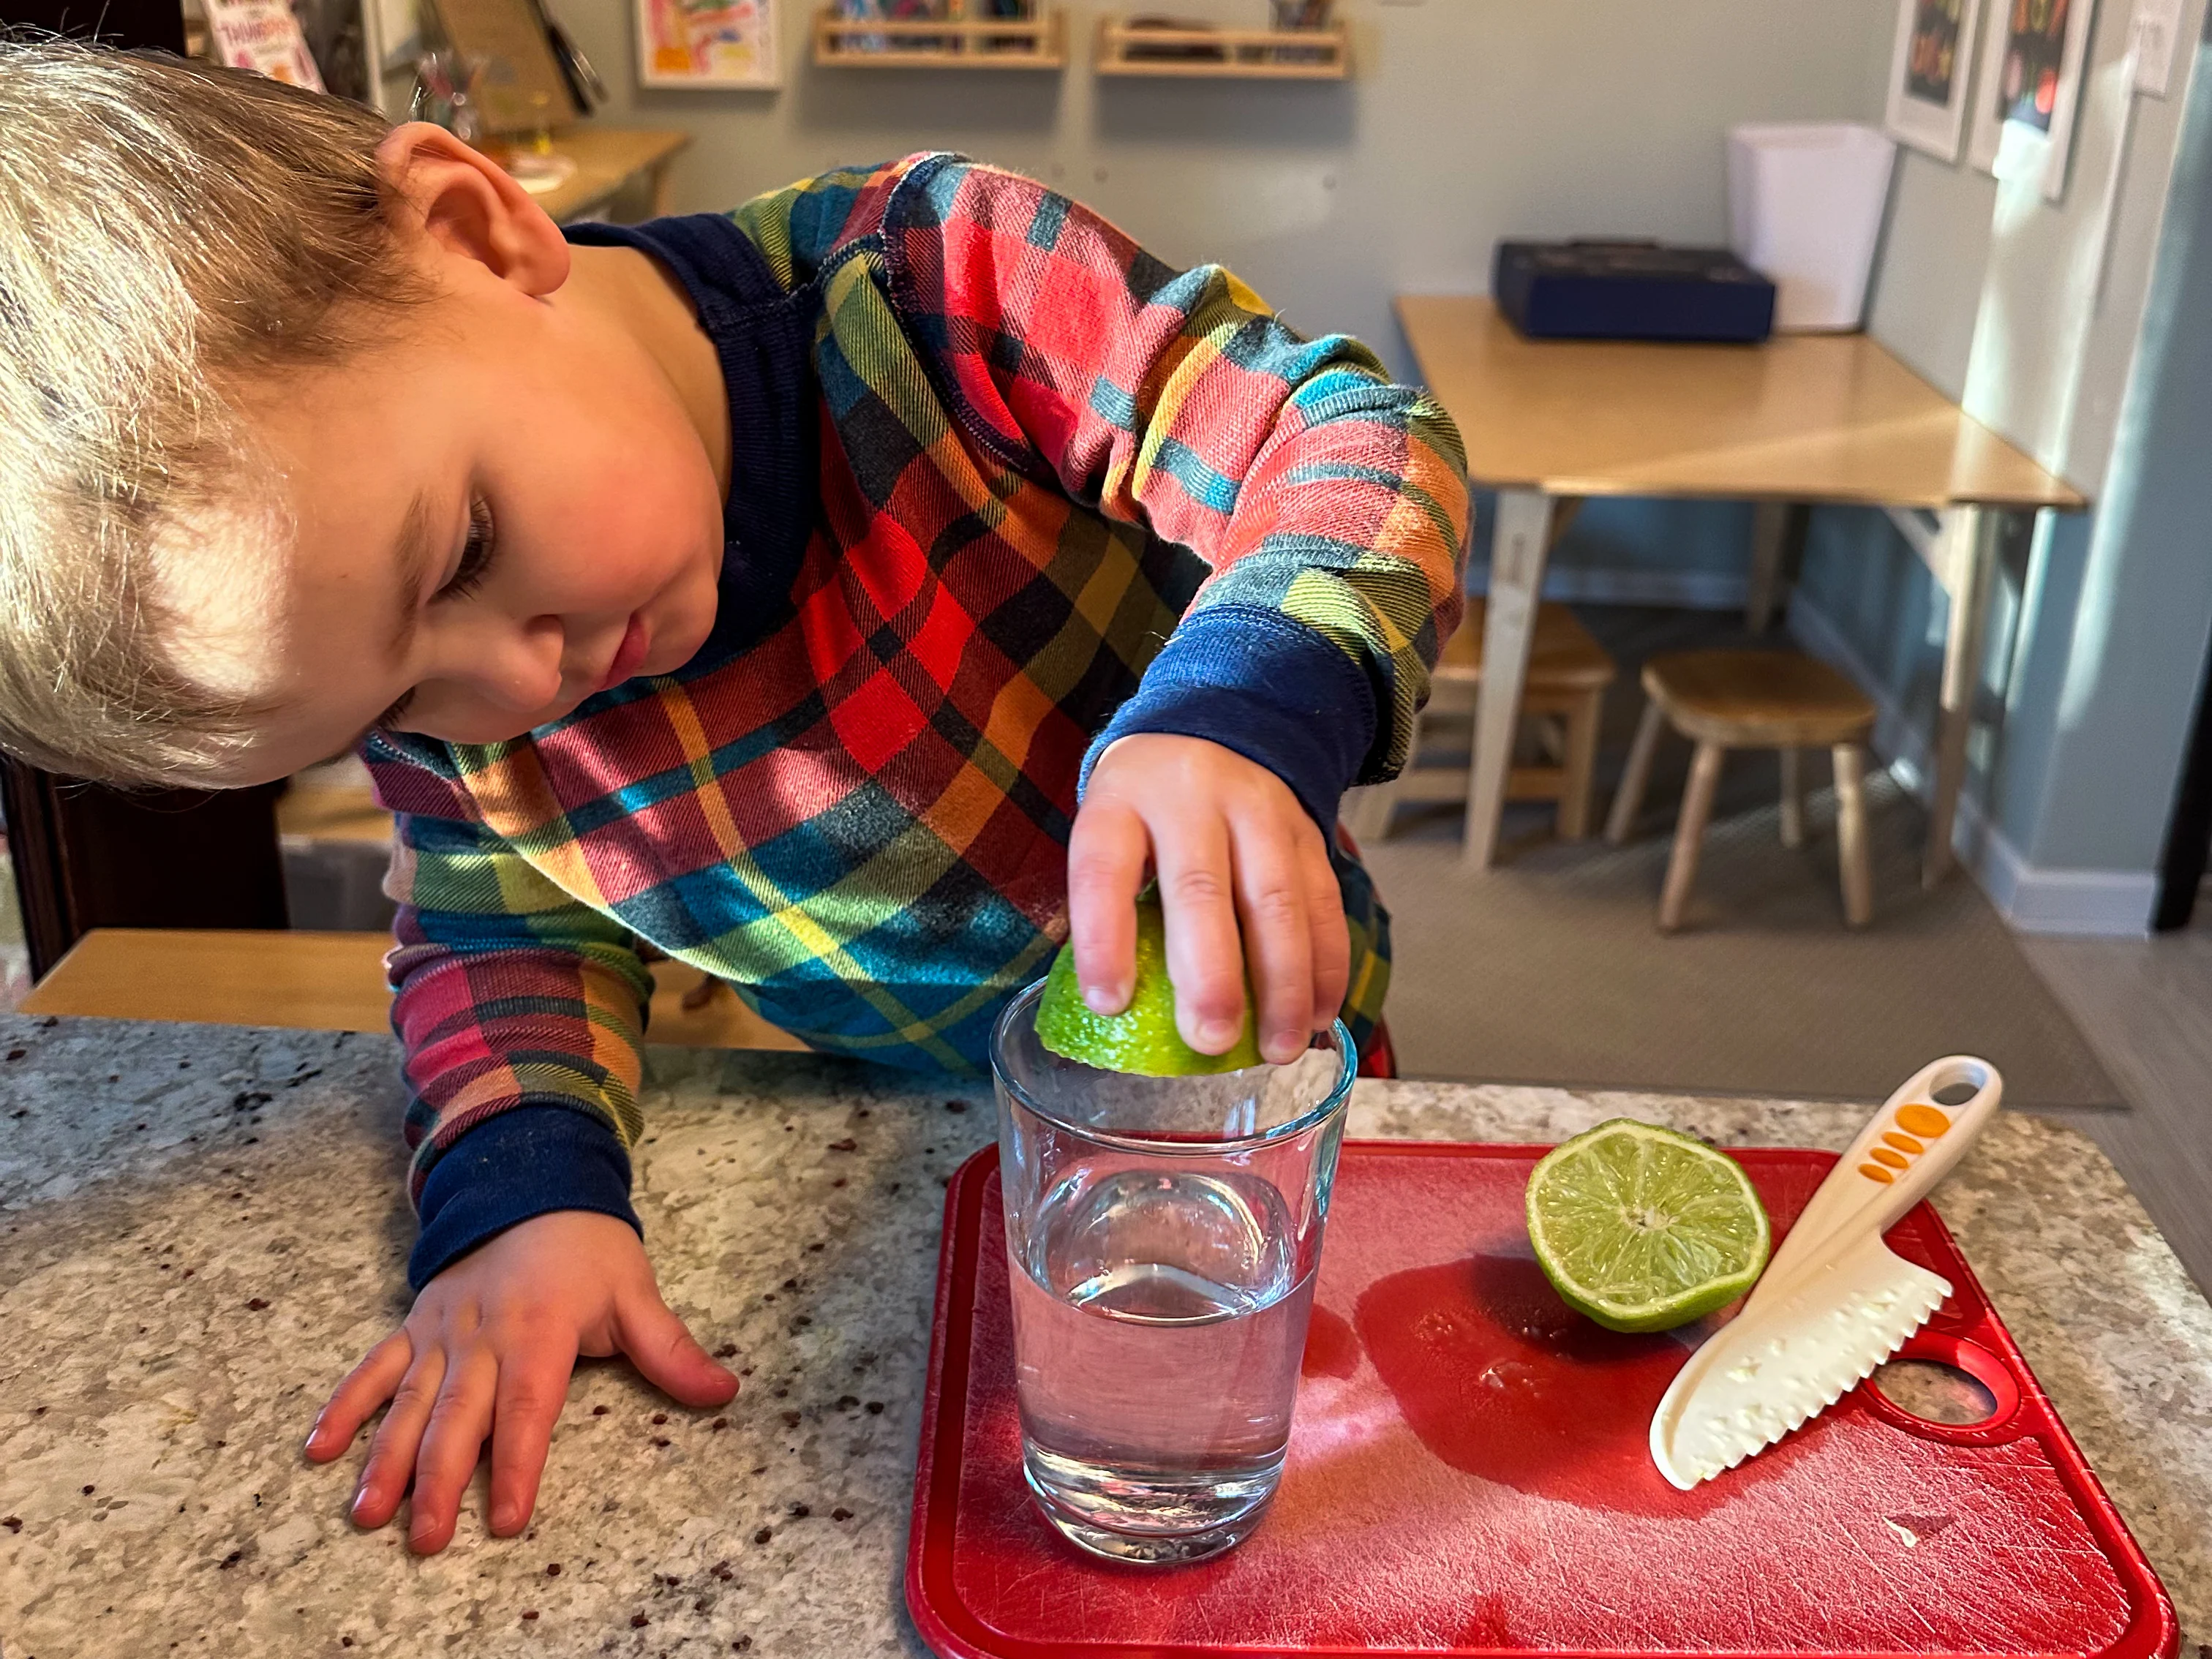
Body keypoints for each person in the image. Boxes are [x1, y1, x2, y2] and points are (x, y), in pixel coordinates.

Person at [0, 40, 1468, 1554]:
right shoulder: (471, 705)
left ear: (476, 230)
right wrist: (524, 1197)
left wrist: (1246, 704)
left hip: (1263, 1047)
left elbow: (1356, 439)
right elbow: (498, 927)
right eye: (392, 704)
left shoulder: (941, 286)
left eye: (462, 552)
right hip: (907, 1132)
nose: (508, 689)